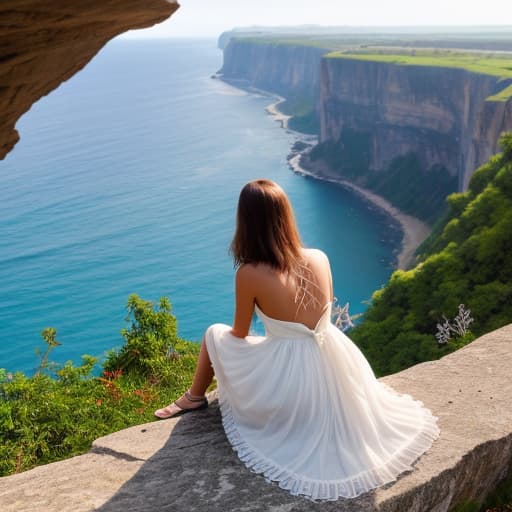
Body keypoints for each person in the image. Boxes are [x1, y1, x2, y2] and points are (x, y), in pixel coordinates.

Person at [154, 179, 440, 500]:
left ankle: (194, 396)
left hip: (291, 375)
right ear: (286, 216)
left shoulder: (248, 273)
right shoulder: (320, 256)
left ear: (246, 222)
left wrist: (271, 339)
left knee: (213, 334)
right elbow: (324, 314)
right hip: (335, 359)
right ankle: (195, 396)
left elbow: (240, 333)